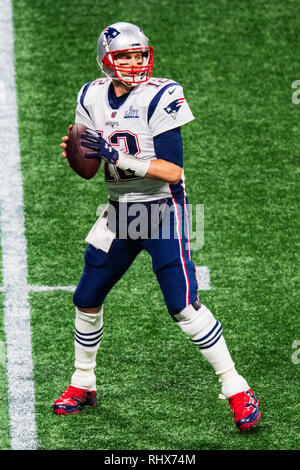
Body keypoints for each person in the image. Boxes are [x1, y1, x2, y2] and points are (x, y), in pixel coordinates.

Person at [53, 22, 261, 431]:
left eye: (138, 55)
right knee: (86, 296)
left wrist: (114, 154)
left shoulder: (162, 95)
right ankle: (83, 382)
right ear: (105, 61)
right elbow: (92, 155)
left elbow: (171, 169)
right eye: (123, 57)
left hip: (160, 210)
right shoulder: (90, 94)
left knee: (182, 305)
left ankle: (237, 388)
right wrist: (79, 153)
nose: (133, 63)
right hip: (119, 209)